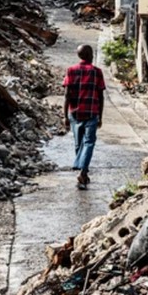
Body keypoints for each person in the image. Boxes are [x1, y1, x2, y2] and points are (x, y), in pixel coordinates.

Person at [63, 44, 105, 189]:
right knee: (88, 143)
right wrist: (100, 116)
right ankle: (82, 171)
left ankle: (83, 172)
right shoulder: (96, 72)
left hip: (74, 113)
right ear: (90, 55)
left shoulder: (71, 71)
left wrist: (65, 116)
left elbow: (67, 95)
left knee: (78, 143)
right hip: (92, 112)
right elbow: (100, 96)